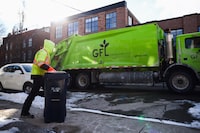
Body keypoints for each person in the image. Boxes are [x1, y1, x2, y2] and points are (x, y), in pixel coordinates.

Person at [21, 39, 56, 118]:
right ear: (49, 46)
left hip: (40, 75)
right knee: (37, 93)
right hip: (38, 76)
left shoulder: (44, 52)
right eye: (53, 48)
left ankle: (49, 111)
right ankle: (24, 113)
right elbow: (41, 64)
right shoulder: (43, 52)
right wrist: (51, 69)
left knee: (45, 93)